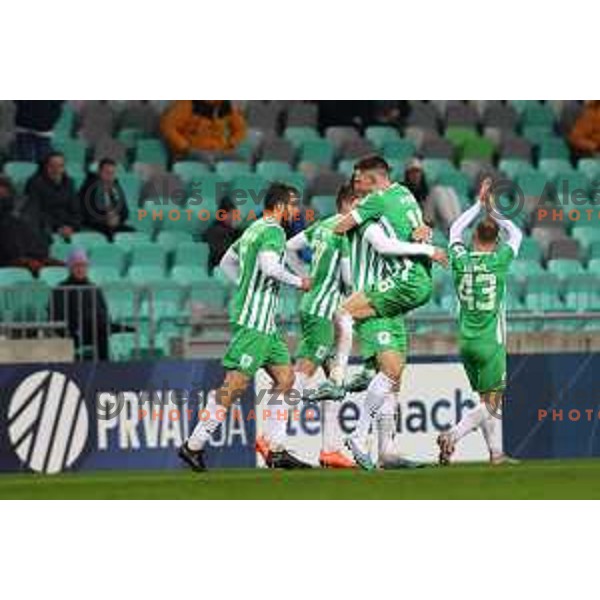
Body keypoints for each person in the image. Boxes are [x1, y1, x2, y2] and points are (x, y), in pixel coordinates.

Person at [179, 183, 313, 471]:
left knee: (286, 379)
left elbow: (226, 262)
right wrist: (300, 281)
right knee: (234, 385)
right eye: (292, 205)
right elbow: (269, 267)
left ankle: (275, 449)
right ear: (279, 206)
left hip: (266, 325)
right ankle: (193, 445)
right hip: (255, 323)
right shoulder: (273, 231)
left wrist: (244, 286)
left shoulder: (252, 229)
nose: (296, 211)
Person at [334, 156, 447, 470]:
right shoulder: (405, 193)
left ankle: (338, 378)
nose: (357, 183)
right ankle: (377, 445)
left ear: (372, 179)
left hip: (402, 280)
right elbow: (419, 228)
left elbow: (343, 225)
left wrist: (347, 220)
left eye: (359, 179)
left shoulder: (375, 202)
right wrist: (425, 236)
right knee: (393, 373)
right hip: (419, 282)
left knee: (343, 312)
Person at [437, 178, 522, 465]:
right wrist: (493, 210)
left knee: (486, 398)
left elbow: (454, 229)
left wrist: (478, 203)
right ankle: (453, 435)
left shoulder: (460, 258)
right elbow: (516, 233)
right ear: (496, 241)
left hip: (466, 341)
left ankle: (496, 454)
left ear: (474, 238)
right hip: (490, 342)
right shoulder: (500, 260)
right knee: (492, 401)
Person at [280, 183, 356, 469]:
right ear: (350, 204)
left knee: (333, 380)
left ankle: (330, 449)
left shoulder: (321, 225)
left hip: (317, 306)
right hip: (322, 311)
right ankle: (271, 437)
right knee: (303, 374)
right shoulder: (344, 232)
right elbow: (349, 279)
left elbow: (289, 247)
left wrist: (304, 276)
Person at [49, 248, 110, 361]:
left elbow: (103, 311)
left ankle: (104, 368)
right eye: (76, 265)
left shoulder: (94, 288)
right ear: (70, 268)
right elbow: (56, 314)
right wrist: (70, 330)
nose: (80, 269)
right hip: (71, 331)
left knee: (106, 330)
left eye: (83, 265)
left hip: (93, 330)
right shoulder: (60, 288)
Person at [0, 176, 62, 273]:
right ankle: (30, 260)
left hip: (32, 253)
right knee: (11, 223)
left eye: (4, 188)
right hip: (7, 258)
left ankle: (38, 259)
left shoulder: (26, 205)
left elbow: (43, 228)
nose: (2, 193)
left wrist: (40, 255)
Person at [160, 100, 247, 161]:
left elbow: (241, 129)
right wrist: (185, 148)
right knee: (208, 162)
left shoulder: (226, 106)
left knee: (241, 161)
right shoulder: (187, 103)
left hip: (218, 151)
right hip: (192, 152)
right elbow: (168, 127)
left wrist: (231, 143)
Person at [24, 152, 80, 242]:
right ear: (46, 167)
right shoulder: (35, 183)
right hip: (45, 228)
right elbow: (35, 212)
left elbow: (76, 210)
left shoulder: (70, 183)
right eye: (52, 166)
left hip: (68, 228)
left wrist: (72, 226)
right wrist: (58, 227)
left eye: (60, 166)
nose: (56, 170)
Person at [79, 158, 134, 240]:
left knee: (132, 233)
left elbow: (125, 212)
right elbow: (87, 215)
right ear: (99, 172)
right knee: (110, 235)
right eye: (107, 173)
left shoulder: (116, 186)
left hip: (113, 225)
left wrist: (118, 219)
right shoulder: (90, 186)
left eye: (112, 173)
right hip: (94, 225)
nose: (110, 177)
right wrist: (106, 220)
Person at [202, 197, 241, 274]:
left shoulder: (233, 231)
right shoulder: (214, 231)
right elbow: (219, 254)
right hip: (219, 268)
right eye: (231, 214)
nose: (233, 218)